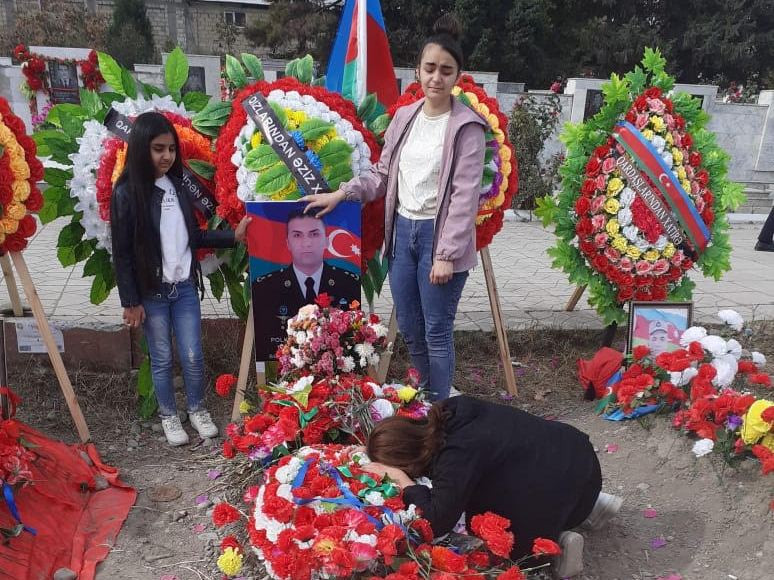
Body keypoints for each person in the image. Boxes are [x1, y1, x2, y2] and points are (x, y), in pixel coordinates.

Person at [303, 15, 486, 401]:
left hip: (439, 242)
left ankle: (441, 410)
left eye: (446, 71)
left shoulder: (467, 127)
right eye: (430, 68)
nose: (436, 77)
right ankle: (426, 394)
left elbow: (465, 196)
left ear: (458, 77)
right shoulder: (406, 117)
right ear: (418, 70)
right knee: (412, 326)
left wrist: (446, 255)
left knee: (437, 328)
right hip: (402, 236)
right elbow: (382, 174)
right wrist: (343, 193)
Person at [364, 396, 623, 578]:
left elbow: (436, 521)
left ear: (406, 460)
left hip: (561, 493)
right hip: (583, 461)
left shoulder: (455, 455)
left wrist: (403, 481)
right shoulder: (452, 411)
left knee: (491, 539)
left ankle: (559, 540)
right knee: (501, 476)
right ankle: (592, 505)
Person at [110, 111, 251, 447]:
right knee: (161, 358)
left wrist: (234, 236)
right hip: (153, 293)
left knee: (192, 354)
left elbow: (195, 237)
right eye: (158, 149)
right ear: (142, 148)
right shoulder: (127, 193)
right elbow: (123, 253)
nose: (166, 156)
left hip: (185, 288)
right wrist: (130, 302)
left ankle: (197, 409)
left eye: (171, 149)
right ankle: (169, 415)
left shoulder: (177, 185)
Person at [250, 210, 361, 357]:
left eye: (314, 234)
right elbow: (266, 341)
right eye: (297, 235)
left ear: (326, 241)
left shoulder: (349, 283)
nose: (306, 243)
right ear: (288, 243)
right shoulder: (264, 287)